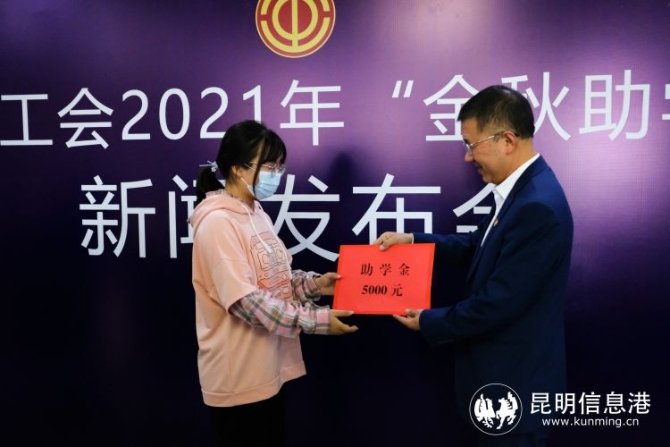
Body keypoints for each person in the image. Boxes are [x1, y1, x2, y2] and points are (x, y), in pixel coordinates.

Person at [376, 85, 573, 446]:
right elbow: (476, 245)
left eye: (471, 144)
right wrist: (414, 241)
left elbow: (499, 302)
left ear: (507, 140)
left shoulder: (536, 206)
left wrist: (428, 320)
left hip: (516, 389)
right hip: (502, 384)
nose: (468, 157)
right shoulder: (521, 191)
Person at [189, 119, 358, 447]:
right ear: (238, 168)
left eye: (280, 166)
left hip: (267, 369)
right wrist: (317, 321)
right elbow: (246, 302)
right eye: (269, 166)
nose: (276, 174)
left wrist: (317, 285)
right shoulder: (217, 222)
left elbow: (275, 280)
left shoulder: (257, 214)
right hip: (238, 379)